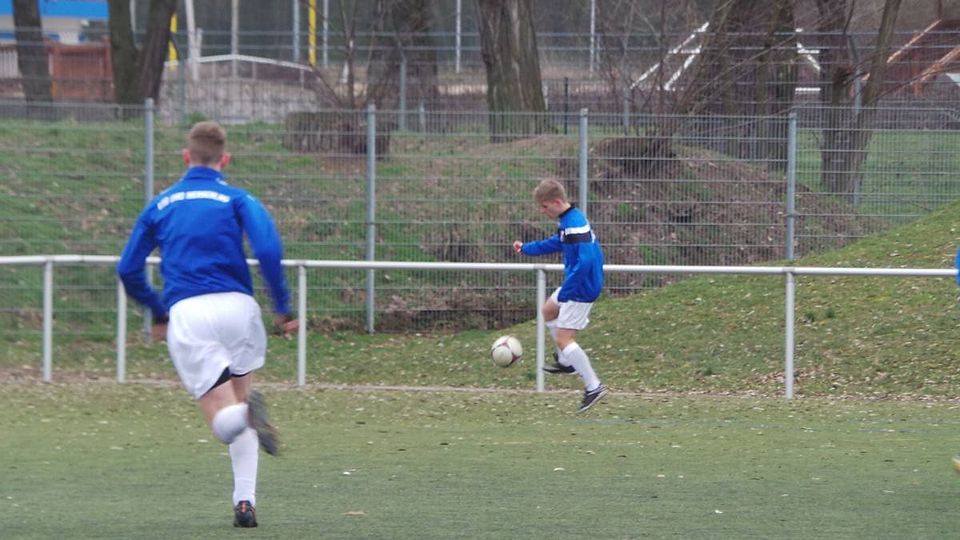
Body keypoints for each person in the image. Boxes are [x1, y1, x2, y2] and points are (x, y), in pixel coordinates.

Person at [117, 120, 297, 528]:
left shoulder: (161, 204)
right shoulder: (237, 198)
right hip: (239, 309)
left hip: (191, 313)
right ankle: (245, 503)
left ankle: (247, 418)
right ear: (224, 159)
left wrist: (158, 311)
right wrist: (282, 306)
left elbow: (127, 269)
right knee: (240, 399)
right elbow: (268, 248)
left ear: (186, 157)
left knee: (224, 419)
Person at [513, 178, 608, 413]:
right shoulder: (568, 221)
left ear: (556, 202)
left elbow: (587, 260)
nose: (542, 211)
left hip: (581, 288)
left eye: (544, 206)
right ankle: (566, 362)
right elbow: (557, 243)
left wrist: (567, 292)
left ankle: (593, 386)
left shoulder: (574, 224)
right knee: (548, 310)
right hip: (576, 283)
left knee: (564, 339)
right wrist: (527, 248)